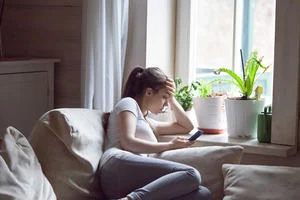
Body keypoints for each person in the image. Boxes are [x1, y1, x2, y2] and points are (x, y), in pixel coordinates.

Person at [99, 66, 211, 200]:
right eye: (164, 97)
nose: (165, 104)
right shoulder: (128, 104)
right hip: (116, 165)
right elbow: (128, 142)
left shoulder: (150, 123)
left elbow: (186, 126)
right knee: (192, 174)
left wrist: (172, 99)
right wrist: (169, 145)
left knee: (203, 193)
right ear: (149, 92)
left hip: (132, 180)